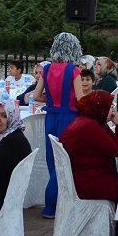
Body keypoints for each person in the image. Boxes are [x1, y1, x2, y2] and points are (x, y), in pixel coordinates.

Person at [31, 32, 84, 218]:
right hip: (69, 119)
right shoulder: (74, 70)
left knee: (52, 160)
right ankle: (53, 203)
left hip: (51, 117)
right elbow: (80, 99)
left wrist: (51, 100)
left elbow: (36, 96)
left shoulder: (46, 69)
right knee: (66, 160)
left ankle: (51, 205)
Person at [60, 90, 118, 202]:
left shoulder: (90, 120)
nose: (113, 110)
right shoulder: (91, 127)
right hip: (90, 181)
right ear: (101, 108)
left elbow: (113, 143)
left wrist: (115, 123)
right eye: (111, 106)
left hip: (85, 176)